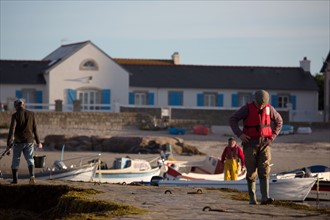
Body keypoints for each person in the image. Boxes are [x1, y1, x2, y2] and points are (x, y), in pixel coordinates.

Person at [229, 90, 283, 205]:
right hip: (250, 145)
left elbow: (279, 121)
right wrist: (240, 134)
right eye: (260, 104)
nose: (262, 106)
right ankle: (252, 199)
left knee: (264, 170)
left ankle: (265, 197)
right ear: (255, 101)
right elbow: (232, 119)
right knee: (251, 171)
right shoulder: (246, 108)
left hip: (265, 144)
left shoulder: (270, 109)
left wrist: (272, 137)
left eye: (264, 104)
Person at [6, 99, 43, 184]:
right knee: (30, 159)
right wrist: (38, 142)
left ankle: (15, 180)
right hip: (29, 141)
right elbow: (35, 129)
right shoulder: (31, 114)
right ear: (23, 105)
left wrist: (8, 144)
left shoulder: (15, 115)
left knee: (16, 159)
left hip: (18, 142)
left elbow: (12, 130)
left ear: (16, 106)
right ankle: (32, 176)